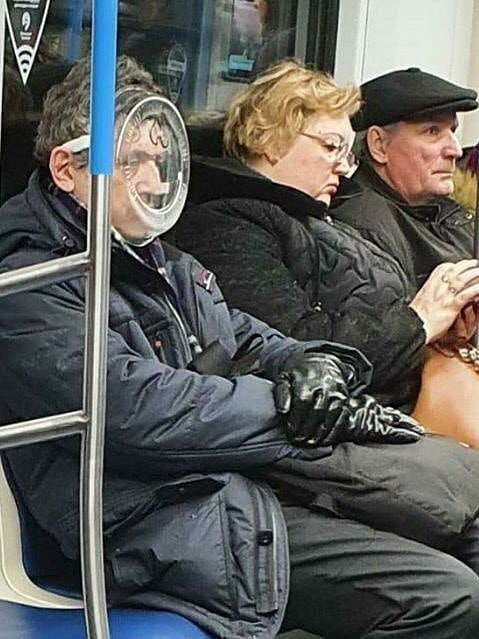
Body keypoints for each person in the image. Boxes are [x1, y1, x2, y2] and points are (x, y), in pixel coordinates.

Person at [0, 56, 479, 639]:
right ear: (68, 169)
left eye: (160, 161)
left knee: (467, 517)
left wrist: (313, 365)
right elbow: (138, 409)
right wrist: (287, 406)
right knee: (447, 599)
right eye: (132, 161)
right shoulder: (32, 287)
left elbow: (248, 338)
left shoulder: (163, 265)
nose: (155, 182)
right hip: (153, 517)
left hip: (228, 479)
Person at [168, 60, 479, 414]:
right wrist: (418, 322)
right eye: (331, 147)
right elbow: (297, 352)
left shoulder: (315, 217)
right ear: (270, 140)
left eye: (345, 153)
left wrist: (435, 331)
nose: (343, 167)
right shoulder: (227, 227)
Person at [333, 67, 478, 287]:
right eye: (432, 131)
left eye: (452, 131)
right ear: (379, 145)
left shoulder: (442, 211)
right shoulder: (361, 233)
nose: (456, 150)